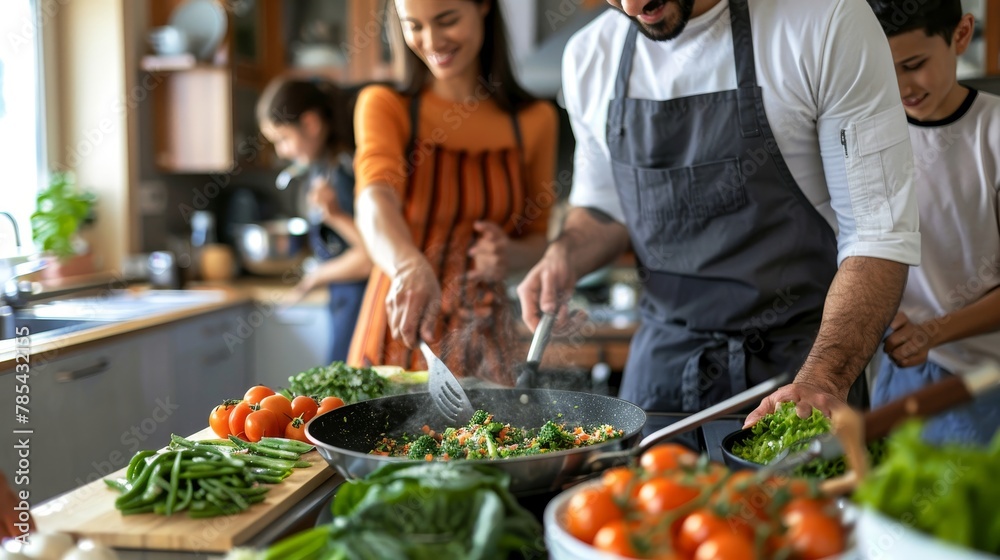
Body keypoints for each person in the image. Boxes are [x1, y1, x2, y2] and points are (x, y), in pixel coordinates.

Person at [517, 0, 922, 420]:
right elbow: (603, 208)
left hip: (799, 373)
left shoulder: (827, 21)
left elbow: (877, 235)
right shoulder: (590, 54)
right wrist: (564, 255)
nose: (632, 5)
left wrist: (823, 380)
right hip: (660, 378)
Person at [348, 0, 557, 381]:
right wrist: (407, 265)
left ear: (482, 7)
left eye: (446, 20)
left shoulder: (534, 121)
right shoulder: (385, 105)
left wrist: (508, 254)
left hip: (484, 341)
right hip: (397, 330)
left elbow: (540, 238)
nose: (432, 40)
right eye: (415, 26)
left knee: (491, 440)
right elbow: (373, 199)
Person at [865, 0, 1000, 445]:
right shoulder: (867, 135)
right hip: (897, 375)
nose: (901, 85)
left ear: (961, 35)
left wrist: (933, 331)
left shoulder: (993, 133)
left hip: (982, 381)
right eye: (885, 69)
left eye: (914, 64)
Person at [257, 77, 372, 363]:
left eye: (283, 138)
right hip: (345, 300)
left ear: (310, 123)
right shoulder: (324, 165)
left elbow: (370, 257)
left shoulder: (345, 172)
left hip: (363, 304)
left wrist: (316, 276)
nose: (281, 151)